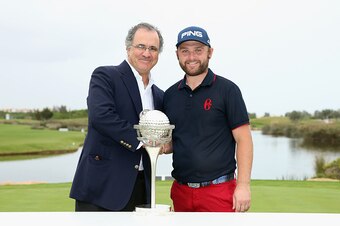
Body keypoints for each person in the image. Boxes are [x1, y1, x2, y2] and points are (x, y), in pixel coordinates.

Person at [69, 22, 164, 211]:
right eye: (141, 47)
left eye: (153, 48)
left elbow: (164, 133)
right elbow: (101, 116)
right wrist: (143, 141)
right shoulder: (105, 76)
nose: (147, 53)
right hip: (101, 187)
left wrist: (166, 143)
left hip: (141, 189)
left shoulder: (159, 95)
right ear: (128, 48)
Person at [162, 26, 253, 212]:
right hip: (181, 191)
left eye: (198, 50)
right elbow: (173, 142)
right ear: (177, 54)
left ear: (210, 52)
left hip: (218, 191)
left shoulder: (228, 90)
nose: (191, 56)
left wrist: (243, 186)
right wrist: (159, 145)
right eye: (185, 51)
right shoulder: (170, 95)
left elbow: (244, 140)